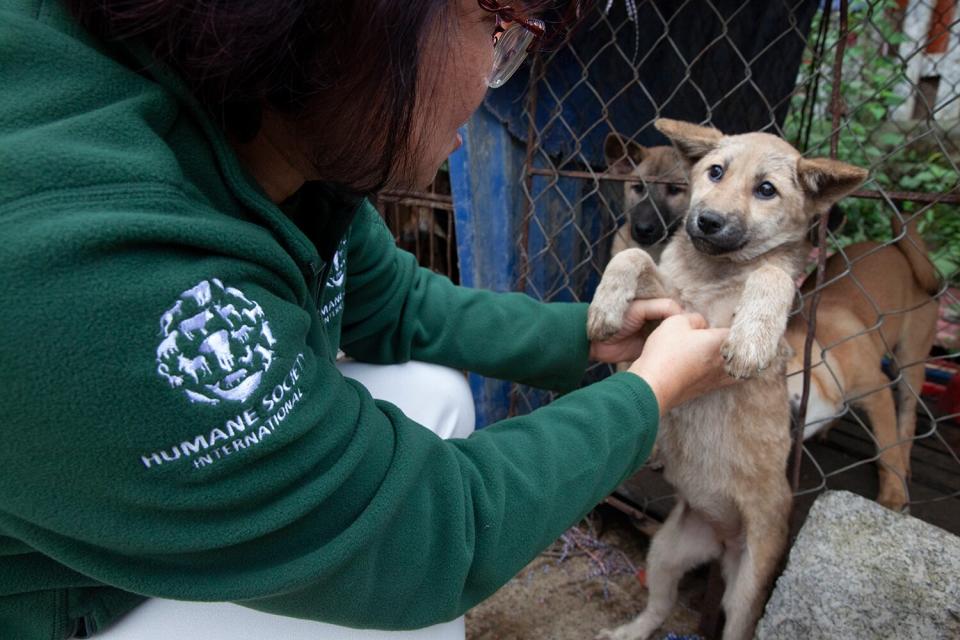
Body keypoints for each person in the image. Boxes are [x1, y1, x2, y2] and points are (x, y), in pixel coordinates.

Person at [0, 0, 732, 638]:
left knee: (436, 394)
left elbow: (399, 304)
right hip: (60, 601)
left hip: (137, 529)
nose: (491, 74)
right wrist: (649, 392)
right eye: (494, 22)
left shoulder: (275, 132)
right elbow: (430, 537)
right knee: (393, 593)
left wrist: (587, 336)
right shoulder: (91, 260)